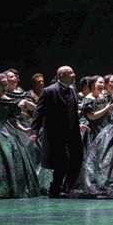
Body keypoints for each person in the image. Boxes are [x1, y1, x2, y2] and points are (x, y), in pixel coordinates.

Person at [30, 66, 88, 198]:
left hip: (72, 132)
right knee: (61, 161)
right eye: (70, 73)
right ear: (61, 76)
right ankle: (55, 189)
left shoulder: (72, 89)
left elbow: (72, 110)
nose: (74, 75)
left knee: (77, 158)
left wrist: (77, 123)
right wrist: (34, 131)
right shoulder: (49, 91)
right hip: (56, 134)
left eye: (73, 72)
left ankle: (67, 187)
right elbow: (38, 113)